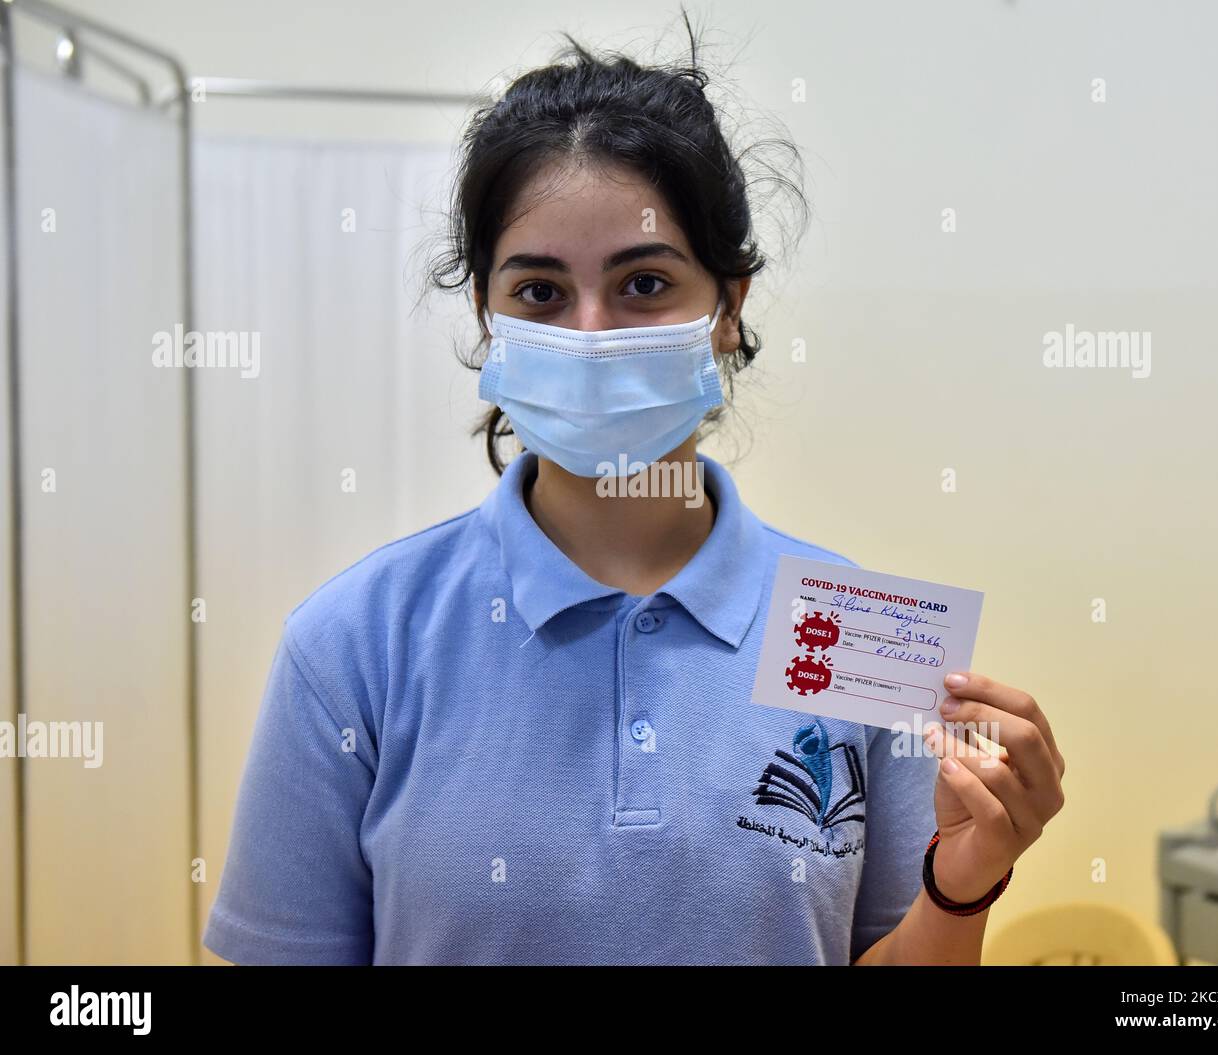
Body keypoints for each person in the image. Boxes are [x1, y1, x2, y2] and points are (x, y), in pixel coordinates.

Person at [202, 18, 1065, 967]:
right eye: (539, 292)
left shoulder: (854, 635)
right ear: (489, 318)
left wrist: (965, 880)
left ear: (728, 308)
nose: (593, 333)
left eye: (645, 282)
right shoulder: (353, 645)